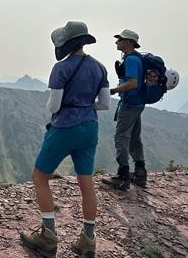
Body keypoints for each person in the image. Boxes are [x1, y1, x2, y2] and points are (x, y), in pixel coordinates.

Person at [20, 21, 110, 258]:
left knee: (40, 176)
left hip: (65, 127)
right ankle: (88, 241)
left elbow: (54, 105)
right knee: (86, 183)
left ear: (66, 43)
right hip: (90, 127)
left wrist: (69, 106)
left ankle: (48, 236)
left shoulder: (61, 68)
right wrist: (85, 105)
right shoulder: (100, 68)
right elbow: (105, 104)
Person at [102, 29, 147, 190]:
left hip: (130, 104)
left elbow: (132, 83)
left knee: (121, 137)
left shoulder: (131, 60)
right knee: (134, 137)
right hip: (137, 103)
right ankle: (140, 173)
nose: (117, 42)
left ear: (128, 42)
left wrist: (114, 91)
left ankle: (123, 176)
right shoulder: (135, 58)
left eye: (119, 40)